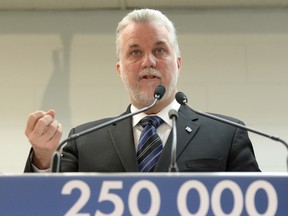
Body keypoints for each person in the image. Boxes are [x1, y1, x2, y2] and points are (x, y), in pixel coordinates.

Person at [24, 8, 260, 173]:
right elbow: (48, 204)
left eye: (159, 50)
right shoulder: (83, 142)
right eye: (135, 52)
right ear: (120, 69)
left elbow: (257, 205)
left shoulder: (227, 135)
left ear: (177, 63)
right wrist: (43, 158)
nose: (149, 61)